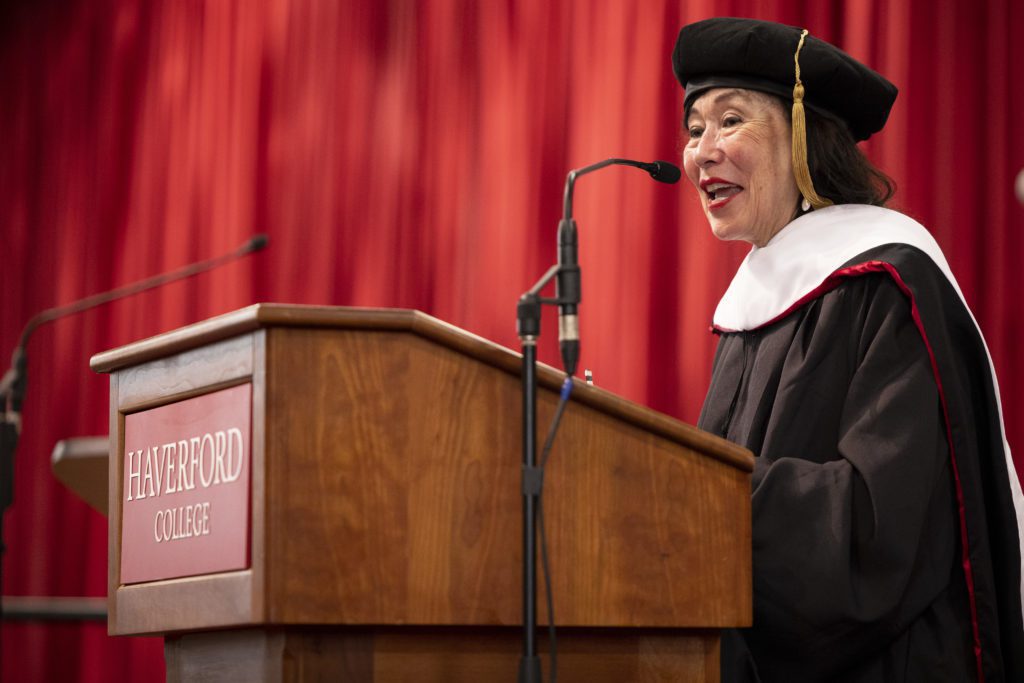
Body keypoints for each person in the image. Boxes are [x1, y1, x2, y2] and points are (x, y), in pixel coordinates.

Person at [672, 17, 1024, 682]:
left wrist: (690, 494)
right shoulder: (754, 309)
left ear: (803, 137)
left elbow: (874, 531)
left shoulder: (890, 285)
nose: (702, 153)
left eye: (730, 121)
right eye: (695, 129)